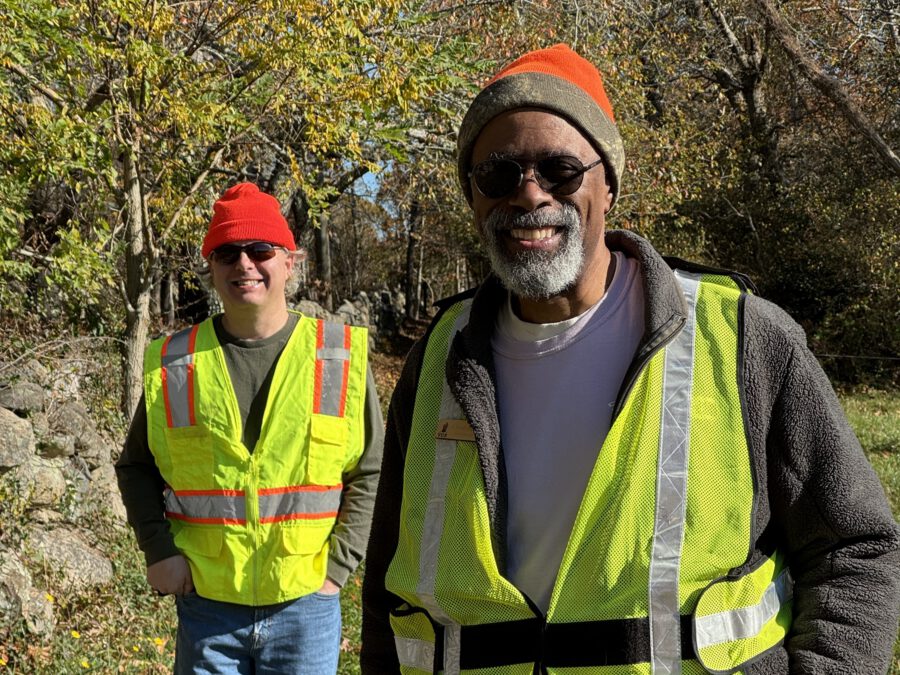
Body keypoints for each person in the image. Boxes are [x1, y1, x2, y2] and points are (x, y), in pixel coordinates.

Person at [360, 44, 900, 674]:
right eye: (498, 175)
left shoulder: (745, 338)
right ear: (473, 195)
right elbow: (387, 592)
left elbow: (854, 549)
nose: (529, 195)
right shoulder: (439, 358)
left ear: (608, 182)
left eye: (560, 170)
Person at [116, 182, 383, 674]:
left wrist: (339, 567)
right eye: (226, 253)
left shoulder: (338, 355)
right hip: (208, 606)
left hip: (306, 605)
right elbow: (136, 467)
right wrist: (160, 552)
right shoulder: (176, 361)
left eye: (260, 250)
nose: (243, 264)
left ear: (289, 262)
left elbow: (371, 471)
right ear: (211, 269)